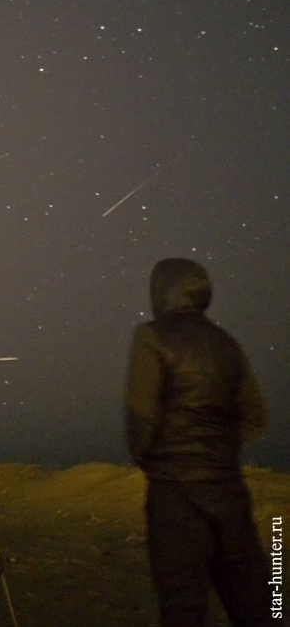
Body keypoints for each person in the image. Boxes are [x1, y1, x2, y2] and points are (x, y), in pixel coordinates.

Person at [125, 257, 271, 627]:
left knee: (182, 605)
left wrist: (152, 459)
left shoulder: (151, 337)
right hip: (227, 490)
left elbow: (141, 417)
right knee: (256, 603)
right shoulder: (226, 344)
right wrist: (219, 455)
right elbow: (255, 417)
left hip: (176, 496)